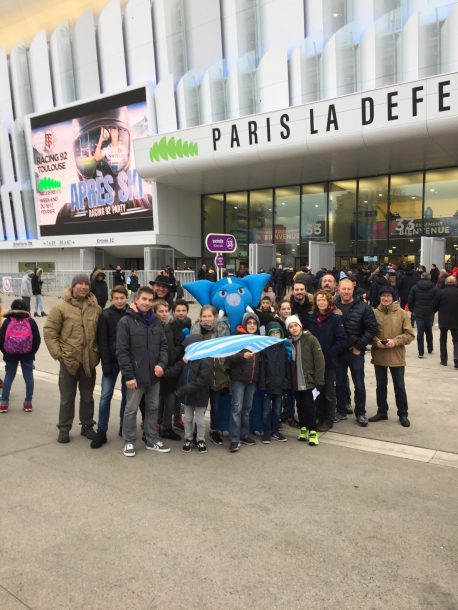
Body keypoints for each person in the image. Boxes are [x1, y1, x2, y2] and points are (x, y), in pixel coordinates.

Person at [44, 274, 101, 443]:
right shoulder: (61, 307)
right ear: (73, 286)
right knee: (67, 397)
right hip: (68, 361)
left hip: (88, 362)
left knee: (87, 397)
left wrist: (97, 353)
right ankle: (64, 428)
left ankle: (87, 426)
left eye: (86, 284)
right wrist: (59, 355)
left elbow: (100, 333)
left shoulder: (95, 307)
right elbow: (49, 332)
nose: (83, 286)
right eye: (80, 283)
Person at [116, 286, 170, 457]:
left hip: (154, 376)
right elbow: (122, 351)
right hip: (135, 377)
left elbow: (163, 346)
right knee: (131, 409)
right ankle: (129, 441)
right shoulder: (126, 322)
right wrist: (129, 375)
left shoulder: (155, 321)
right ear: (136, 300)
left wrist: (161, 364)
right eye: (144, 299)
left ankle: (151, 439)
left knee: (153, 408)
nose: (147, 303)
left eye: (149, 300)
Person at [368, 286, 415, 427]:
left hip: (396, 355)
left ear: (393, 297)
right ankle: (382, 411)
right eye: (383, 296)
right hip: (379, 354)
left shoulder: (402, 314)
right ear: (380, 297)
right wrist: (376, 341)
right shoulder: (373, 313)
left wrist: (395, 341)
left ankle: (403, 413)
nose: (386, 298)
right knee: (381, 386)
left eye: (388, 296)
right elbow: (368, 332)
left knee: (399, 386)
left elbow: (410, 334)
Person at [334, 277, 378, 426]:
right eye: (343, 289)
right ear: (338, 289)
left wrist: (359, 346)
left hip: (355, 352)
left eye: (349, 289)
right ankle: (340, 410)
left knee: (359, 384)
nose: (346, 292)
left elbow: (371, 328)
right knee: (339, 383)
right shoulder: (333, 305)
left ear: (353, 289)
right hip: (339, 352)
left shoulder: (363, 307)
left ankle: (360, 413)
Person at [90, 285, 129, 448]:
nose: (119, 301)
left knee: (127, 397)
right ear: (111, 300)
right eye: (116, 298)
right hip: (111, 362)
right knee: (105, 396)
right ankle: (102, 431)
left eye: (122, 298)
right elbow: (102, 342)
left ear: (127, 298)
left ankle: (124, 426)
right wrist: (105, 364)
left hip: (127, 362)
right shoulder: (105, 315)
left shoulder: (132, 313)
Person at [190, 305, 231, 445]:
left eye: (209, 316)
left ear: (215, 317)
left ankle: (214, 431)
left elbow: (227, 352)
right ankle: (197, 431)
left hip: (218, 374)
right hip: (201, 376)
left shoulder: (222, 331)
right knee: (199, 406)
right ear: (200, 317)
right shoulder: (196, 332)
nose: (207, 319)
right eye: (204, 316)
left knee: (216, 405)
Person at [308, 290, 347, 432]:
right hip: (314, 363)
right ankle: (319, 416)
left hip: (330, 362)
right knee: (317, 390)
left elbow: (342, 340)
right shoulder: (311, 319)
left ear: (329, 302)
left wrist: (329, 354)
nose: (321, 302)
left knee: (329, 392)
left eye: (324, 300)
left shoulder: (336, 319)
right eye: (319, 300)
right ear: (316, 303)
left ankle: (328, 419)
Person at [286, 315, 325, 446]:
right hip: (296, 382)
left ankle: (313, 432)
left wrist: (319, 381)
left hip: (309, 381)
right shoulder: (289, 342)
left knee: (309, 408)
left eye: (295, 325)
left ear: (300, 326)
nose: (293, 328)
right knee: (300, 407)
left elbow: (319, 361)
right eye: (290, 327)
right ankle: (303, 428)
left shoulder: (310, 339)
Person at [227, 312, 261, 452]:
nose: (252, 326)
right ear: (245, 324)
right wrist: (242, 356)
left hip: (252, 380)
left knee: (246, 409)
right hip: (238, 380)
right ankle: (234, 440)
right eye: (249, 323)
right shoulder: (238, 338)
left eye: (254, 323)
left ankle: (244, 435)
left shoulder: (259, 339)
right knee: (236, 409)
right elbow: (229, 357)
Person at [0, 299, 41, 413]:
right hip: (27, 354)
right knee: (28, 378)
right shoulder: (31, 321)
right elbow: (37, 339)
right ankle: (28, 403)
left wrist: (6, 352)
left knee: (9, 377)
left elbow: (1, 339)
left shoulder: (8, 321)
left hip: (10, 354)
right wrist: (32, 352)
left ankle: (4, 404)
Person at [153, 299, 184, 441]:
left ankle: (166, 426)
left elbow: (180, 342)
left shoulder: (173, 325)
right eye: (161, 311)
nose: (164, 314)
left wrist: (175, 352)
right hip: (158, 368)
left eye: (166, 311)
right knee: (159, 399)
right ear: (155, 312)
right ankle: (158, 424)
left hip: (171, 368)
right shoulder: (152, 327)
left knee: (170, 399)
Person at [176, 336, 212, 454]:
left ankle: (200, 440)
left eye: (188, 347)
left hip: (200, 396)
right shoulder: (186, 360)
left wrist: (183, 390)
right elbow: (176, 369)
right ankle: (188, 439)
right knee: (188, 419)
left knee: (200, 420)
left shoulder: (205, 361)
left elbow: (202, 381)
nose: (186, 349)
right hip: (188, 397)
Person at [258, 321, 290, 443]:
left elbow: (286, 368)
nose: (275, 335)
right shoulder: (264, 350)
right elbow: (262, 370)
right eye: (272, 333)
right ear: (268, 335)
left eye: (277, 333)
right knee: (266, 410)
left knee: (277, 410)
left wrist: (286, 385)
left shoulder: (284, 349)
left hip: (280, 386)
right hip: (267, 386)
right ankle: (266, 432)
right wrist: (262, 386)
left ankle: (275, 431)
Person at [407, 272, 437, 358]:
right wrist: (434, 310)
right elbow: (436, 301)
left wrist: (413, 310)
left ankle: (421, 352)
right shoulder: (434, 288)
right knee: (429, 331)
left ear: (421, 277)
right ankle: (430, 348)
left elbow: (410, 300)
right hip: (429, 312)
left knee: (420, 332)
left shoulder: (415, 287)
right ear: (429, 277)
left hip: (418, 312)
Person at [433, 275, 458, 368]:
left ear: (446, 283)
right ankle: (456, 358)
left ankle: (444, 360)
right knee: (456, 340)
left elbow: (434, 306)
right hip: (456, 320)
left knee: (443, 340)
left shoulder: (440, 293)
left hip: (443, 320)